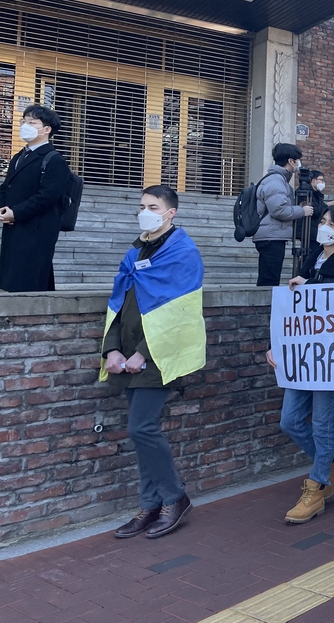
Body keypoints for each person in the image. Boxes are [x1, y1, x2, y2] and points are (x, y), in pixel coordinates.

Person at [101, 185, 205, 539]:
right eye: (141, 205)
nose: (145, 211)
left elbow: (178, 315)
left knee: (140, 428)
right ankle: (149, 505)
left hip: (159, 355)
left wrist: (141, 353)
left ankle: (175, 498)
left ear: (170, 212)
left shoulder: (183, 253)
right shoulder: (136, 249)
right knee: (139, 431)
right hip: (128, 352)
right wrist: (111, 349)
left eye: (152, 206)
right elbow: (120, 302)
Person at [265, 205, 334, 523]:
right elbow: (293, 311)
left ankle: (318, 486)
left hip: (330, 357)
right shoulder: (312, 258)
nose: (325, 227)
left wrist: (310, 290)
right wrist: (277, 344)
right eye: (323, 221)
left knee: (323, 424)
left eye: (333, 224)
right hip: (302, 356)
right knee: (290, 420)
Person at [0, 105, 71, 292]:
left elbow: (47, 196)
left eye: (32, 122)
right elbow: (7, 187)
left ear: (46, 129)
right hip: (15, 226)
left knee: (30, 278)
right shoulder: (18, 157)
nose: (25, 125)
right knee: (11, 277)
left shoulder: (54, 160)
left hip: (38, 229)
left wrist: (16, 213)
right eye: (24, 121)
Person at [253, 143, 314, 287]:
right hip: (271, 237)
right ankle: (265, 307)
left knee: (270, 277)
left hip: (272, 234)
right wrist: (302, 211)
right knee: (269, 280)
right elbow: (278, 210)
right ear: (290, 161)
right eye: (297, 160)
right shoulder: (276, 181)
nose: (299, 164)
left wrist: (296, 208)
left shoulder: (278, 180)